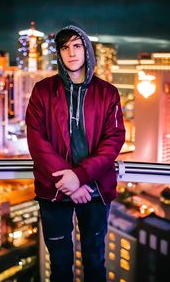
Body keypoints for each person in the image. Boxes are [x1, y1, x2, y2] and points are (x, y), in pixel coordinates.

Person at [25, 24, 125, 282]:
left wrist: (79, 177)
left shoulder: (108, 93)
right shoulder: (43, 91)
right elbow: (36, 141)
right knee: (59, 265)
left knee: (94, 262)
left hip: (95, 188)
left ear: (87, 51)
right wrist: (69, 183)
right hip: (55, 189)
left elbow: (113, 141)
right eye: (65, 47)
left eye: (77, 46)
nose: (71, 52)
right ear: (59, 53)